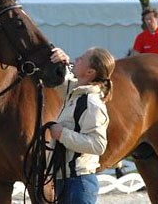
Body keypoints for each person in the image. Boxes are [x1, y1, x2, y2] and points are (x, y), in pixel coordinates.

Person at [49, 47, 115, 204]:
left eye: (81, 59)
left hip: (78, 182)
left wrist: (62, 134)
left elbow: (98, 145)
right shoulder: (76, 93)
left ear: (90, 72)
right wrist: (62, 62)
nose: (76, 59)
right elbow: (61, 82)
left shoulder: (91, 102)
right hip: (67, 179)